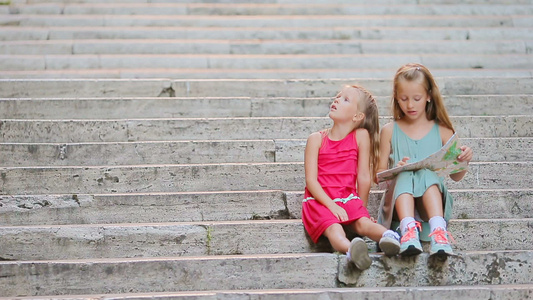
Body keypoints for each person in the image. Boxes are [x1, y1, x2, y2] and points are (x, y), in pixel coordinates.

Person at [377, 63, 473, 258]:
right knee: (405, 174)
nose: (410, 105)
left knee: (427, 173)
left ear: (429, 96)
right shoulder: (389, 130)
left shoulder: (444, 131)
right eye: (404, 99)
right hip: (399, 207)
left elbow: (456, 176)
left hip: (431, 205)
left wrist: (463, 160)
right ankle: (408, 231)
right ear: (396, 96)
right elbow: (378, 174)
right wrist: (395, 170)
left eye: (416, 98)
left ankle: (439, 233)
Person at [302, 84, 400, 270]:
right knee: (334, 229)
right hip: (319, 201)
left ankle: (390, 238)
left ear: (357, 116)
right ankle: (351, 249)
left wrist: (360, 208)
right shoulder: (316, 139)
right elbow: (311, 181)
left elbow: (363, 177)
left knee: (363, 223)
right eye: (338, 96)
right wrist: (331, 205)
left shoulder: (361, 136)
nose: (337, 99)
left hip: (347, 197)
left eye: (345, 99)